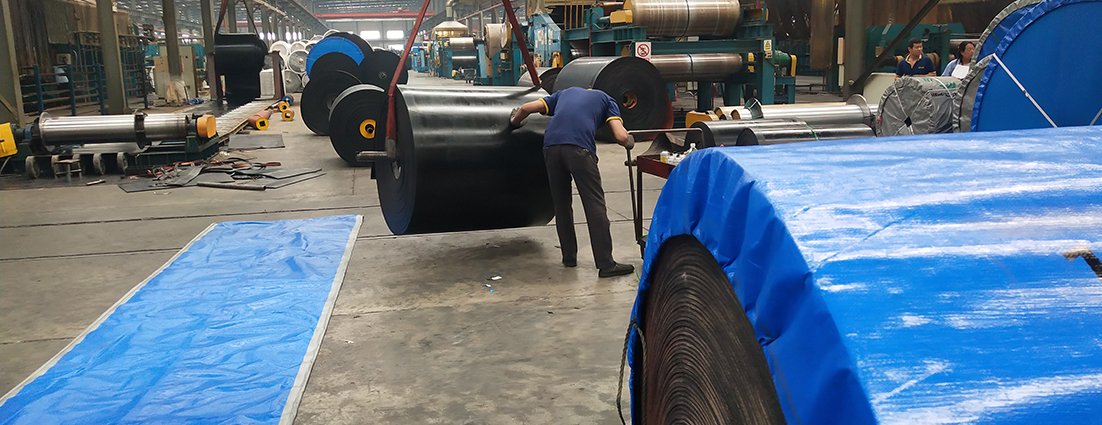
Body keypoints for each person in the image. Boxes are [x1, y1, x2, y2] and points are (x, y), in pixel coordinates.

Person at [510, 87, 637, 278]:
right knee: (594, 205)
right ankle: (606, 264)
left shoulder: (564, 93)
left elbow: (526, 108)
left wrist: (514, 123)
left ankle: (569, 257)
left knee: (561, 205)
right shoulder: (607, 99)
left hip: (551, 147)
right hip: (579, 149)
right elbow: (621, 136)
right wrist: (629, 141)